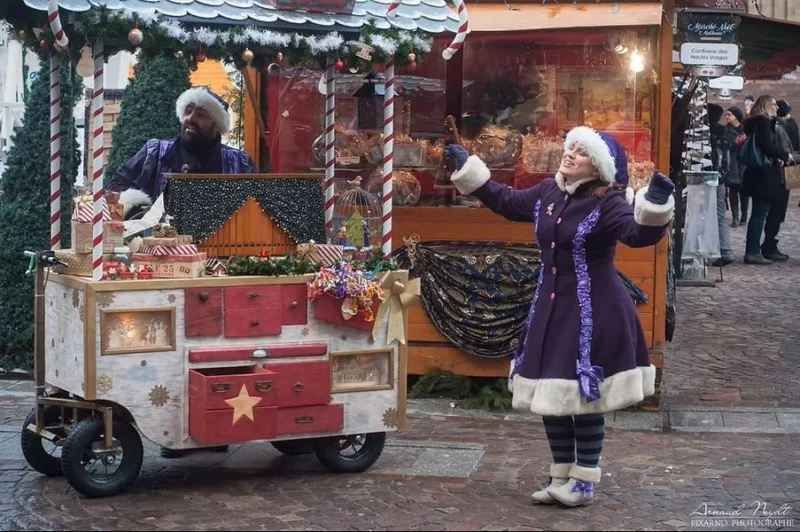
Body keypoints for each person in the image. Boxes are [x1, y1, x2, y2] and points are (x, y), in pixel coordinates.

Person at [444, 126, 674, 508]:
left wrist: (656, 203)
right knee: (549, 392)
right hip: (551, 307)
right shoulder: (548, 192)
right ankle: (560, 474)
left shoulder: (609, 201)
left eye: (581, 152)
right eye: (570, 147)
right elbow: (506, 200)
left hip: (593, 310)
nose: (569, 155)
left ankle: (584, 480)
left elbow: (637, 235)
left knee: (584, 397)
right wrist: (470, 168)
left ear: (597, 165)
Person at [109, 86, 257, 219]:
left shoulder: (239, 163)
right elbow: (116, 188)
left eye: (201, 115)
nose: (190, 119)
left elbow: (254, 208)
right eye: (188, 111)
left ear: (216, 125)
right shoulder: (154, 153)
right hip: (159, 246)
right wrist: (140, 214)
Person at [741, 95, 790, 265]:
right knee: (760, 214)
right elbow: (766, 145)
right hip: (764, 174)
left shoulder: (754, 122)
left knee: (758, 213)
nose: (777, 108)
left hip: (757, 173)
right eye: (774, 104)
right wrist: (784, 154)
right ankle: (753, 251)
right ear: (766, 105)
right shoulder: (763, 122)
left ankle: (752, 250)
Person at [708, 104, 734, 265]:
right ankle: (725, 250)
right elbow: (728, 157)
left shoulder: (704, 133)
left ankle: (707, 251)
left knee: (702, 216)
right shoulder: (724, 132)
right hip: (721, 178)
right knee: (719, 217)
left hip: (705, 178)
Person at [724, 107, 748, 227]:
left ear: (736, 116)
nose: (727, 117)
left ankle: (744, 216)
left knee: (745, 191)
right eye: (726, 115)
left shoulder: (745, 129)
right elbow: (726, 146)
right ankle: (735, 216)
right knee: (733, 190)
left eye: (729, 114)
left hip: (744, 163)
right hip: (732, 163)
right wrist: (735, 142)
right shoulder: (726, 130)